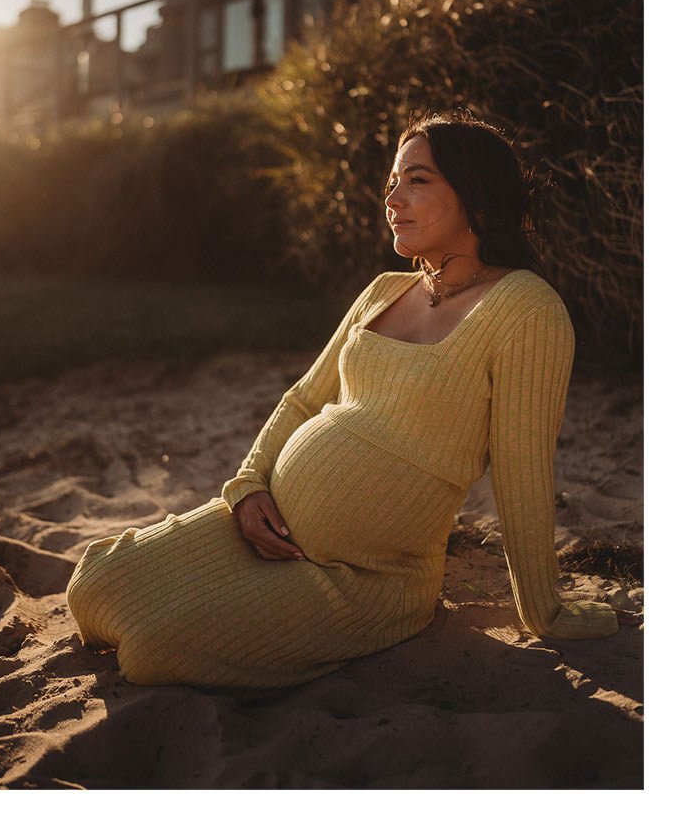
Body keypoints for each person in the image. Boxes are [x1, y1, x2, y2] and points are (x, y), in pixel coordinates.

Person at [65, 110, 617, 689]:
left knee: (155, 646)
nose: (393, 198)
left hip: (366, 577)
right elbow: (305, 400)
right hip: (264, 529)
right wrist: (248, 489)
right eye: (392, 184)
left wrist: (542, 609)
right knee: (95, 585)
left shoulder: (526, 308)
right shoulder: (384, 290)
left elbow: (521, 468)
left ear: (476, 194)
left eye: (417, 180)